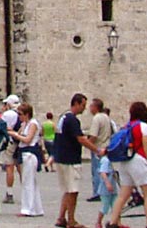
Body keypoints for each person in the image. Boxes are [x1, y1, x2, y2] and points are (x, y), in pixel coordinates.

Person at [107, 102, 147, 228]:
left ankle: (113, 222)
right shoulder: (144, 127)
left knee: (123, 195)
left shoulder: (126, 126)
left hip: (125, 161)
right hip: (139, 161)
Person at [52, 94, 100, 228]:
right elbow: (81, 139)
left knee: (67, 189)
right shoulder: (72, 120)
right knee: (73, 191)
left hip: (61, 157)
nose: (84, 109)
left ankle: (61, 218)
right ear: (76, 104)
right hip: (70, 159)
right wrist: (97, 150)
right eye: (83, 105)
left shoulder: (63, 117)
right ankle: (71, 220)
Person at [5, 103, 44, 217]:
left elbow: (27, 139)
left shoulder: (33, 124)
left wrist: (15, 135)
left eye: (21, 114)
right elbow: (19, 133)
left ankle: (28, 209)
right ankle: (36, 208)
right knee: (30, 181)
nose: (19, 116)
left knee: (28, 181)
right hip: (24, 153)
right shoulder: (25, 124)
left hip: (30, 153)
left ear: (27, 114)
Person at [85, 99, 115, 202]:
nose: (89, 108)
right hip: (106, 147)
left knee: (97, 170)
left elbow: (93, 135)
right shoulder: (106, 117)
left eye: (91, 106)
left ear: (95, 107)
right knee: (105, 170)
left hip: (98, 148)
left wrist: (87, 144)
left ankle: (98, 192)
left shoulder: (96, 118)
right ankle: (105, 190)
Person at [0, 95, 23, 203]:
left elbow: (2, 127)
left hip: (11, 142)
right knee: (20, 168)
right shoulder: (21, 113)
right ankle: (27, 191)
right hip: (21, 142)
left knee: (9, 167)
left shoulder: (8, 114)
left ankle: (9, 193)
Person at [93, 154, 118, 228]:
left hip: (113, 188)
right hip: (105, 189)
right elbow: (103, 173)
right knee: (105, 207)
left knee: (116, 207)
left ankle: (116, 222)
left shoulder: (110, 160)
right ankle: (98, 222)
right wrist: (107, 183)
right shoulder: (105, 160)